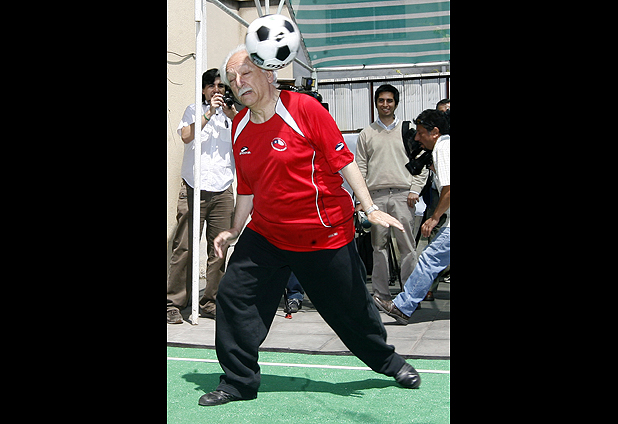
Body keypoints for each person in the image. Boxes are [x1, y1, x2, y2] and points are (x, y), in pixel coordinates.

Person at [197, 45, 422, 407]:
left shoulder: (304, 109)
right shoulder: (238, 127)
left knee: (351, 312)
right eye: (232, 79)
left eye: (246, 74)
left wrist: (368, 207)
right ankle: (238, 382)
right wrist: (235, 230)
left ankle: (389, 362)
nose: (238, 83)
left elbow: (343, 160)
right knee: (234, 295)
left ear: (269, 74)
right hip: (268, 233)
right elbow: (248, 187)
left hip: (322, 233)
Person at [166, 68, 237, 324]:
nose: (217, 91)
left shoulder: (233, 116)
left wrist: (232, 115)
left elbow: (246, 139)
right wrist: (208, 114)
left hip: (222, 190)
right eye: (212, 86)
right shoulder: (194, 110)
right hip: (194, 188)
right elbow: (186, 136)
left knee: (219, 249)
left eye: (221, 86)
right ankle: (173, 303)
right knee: (184, 247)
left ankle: (210, 301)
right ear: (204, 90)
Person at [374, 109, 450, 325]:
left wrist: (434, 218)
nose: (417, 138)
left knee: (429, 259)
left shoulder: (443, 147)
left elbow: (449, 189)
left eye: (420, 132)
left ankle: (402, 306)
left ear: (434, 132)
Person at [355, 84, 428, 304]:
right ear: (375, 103)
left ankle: (409, 296)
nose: (385, 104)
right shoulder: (366, 134)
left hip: (403, 196)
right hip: (376, 198)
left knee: (407, 247)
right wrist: (362, 200)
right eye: (381, 100)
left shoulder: (410, 131)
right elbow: (360, 167)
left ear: (396, 103)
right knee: (378, 248)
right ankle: (381, 295)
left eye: (389, 100)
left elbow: (423, 162)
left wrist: (415, 189)